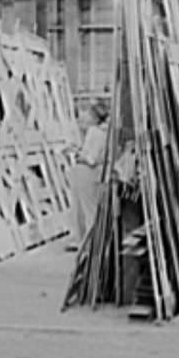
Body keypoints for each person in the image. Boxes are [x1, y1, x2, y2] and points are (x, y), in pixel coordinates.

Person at [68, 100, 109, 249]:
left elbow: (90, 158)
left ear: (94, 117)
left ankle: (90, 241)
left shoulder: (94, 132)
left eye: (88, 115)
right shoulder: (103, 134)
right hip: (93, 173)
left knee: (85, 209)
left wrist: (77, 153)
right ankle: (87, 240)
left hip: (85, 171)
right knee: (87, 208)